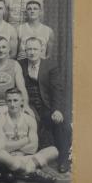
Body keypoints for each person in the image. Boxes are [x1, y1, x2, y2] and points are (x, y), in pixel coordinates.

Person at [19, 37, 71, 172]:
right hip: (28, 105)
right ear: (25, 50)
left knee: (62, 124)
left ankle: (64, 160)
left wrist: (57, 110)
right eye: (29, 49)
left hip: (46, 105)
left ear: (41, 50)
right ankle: (28, 160)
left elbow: (57, 90)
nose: (32, 52)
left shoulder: (50, 66)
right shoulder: (19, 64)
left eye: (35, 49)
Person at [0, 88, 58, 183]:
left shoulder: (30, 120)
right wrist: (25, 140)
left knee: (53, 150)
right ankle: (32, 172)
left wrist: (12, 146)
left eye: (15, 100)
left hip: (27, 158)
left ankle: (22, 171)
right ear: (5, 102)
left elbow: (33, 148)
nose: (12, 104)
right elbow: (1, 147)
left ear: (21, 101)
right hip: (9, 159)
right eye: (9, 101)